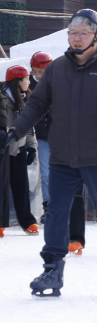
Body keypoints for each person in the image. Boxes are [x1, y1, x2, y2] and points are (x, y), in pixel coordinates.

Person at [6, 9, 97, 297]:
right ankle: (53, 268)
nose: (77, 39)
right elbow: (37, 104)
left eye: (83, 33)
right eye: (73, 33)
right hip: (64, 155)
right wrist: (16, 129)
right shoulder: (57, 69)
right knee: (56, 213)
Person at [2, 65, 38, 235]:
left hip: (19, 148)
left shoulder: (25, 99)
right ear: (18, 81)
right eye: (26, 79)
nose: (29, 81)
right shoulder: (3, 99)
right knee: (2, 186)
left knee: (21, 185)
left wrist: (32, 147)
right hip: (3, 149)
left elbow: (30, 125)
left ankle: (27, 221)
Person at [29, 51, 54, 211]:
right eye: (35, 71)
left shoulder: (58, 84)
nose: (37, 75)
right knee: (45, 173)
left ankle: (62, 206)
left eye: (41, 72)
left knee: (63, 174)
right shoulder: (29, 86)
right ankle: (48, 206)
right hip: (42, 137)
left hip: (60, 136)